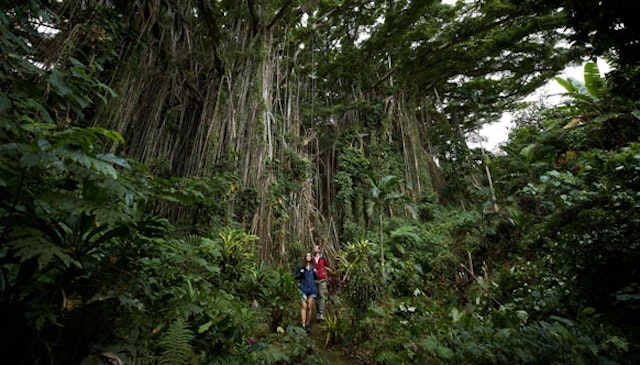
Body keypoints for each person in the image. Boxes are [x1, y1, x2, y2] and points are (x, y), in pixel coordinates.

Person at [295, 252, 317, 333]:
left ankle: (307, 324)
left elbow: (316, 277)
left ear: (311, 258)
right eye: (307, 256)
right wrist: (300, 273)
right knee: (304, 306)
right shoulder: (301, 267)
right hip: (303, 289)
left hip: (311, 289)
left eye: (309, 256)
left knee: (309, 307)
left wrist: (315, 272)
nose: (308, 257)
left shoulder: (313, 268)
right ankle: (303, 324)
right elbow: (296, 277)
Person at [313, 244, 331, 321]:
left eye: (316, 248)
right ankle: (318, 313)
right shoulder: (312, 259)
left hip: (322, 279)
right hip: (314, 279)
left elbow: (328, 267)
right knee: (316, 296)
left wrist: (328, 276)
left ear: (319, 250)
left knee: (322, 295)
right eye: (314, 248)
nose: (314, 249)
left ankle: (321, 313)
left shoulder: (323, 258)